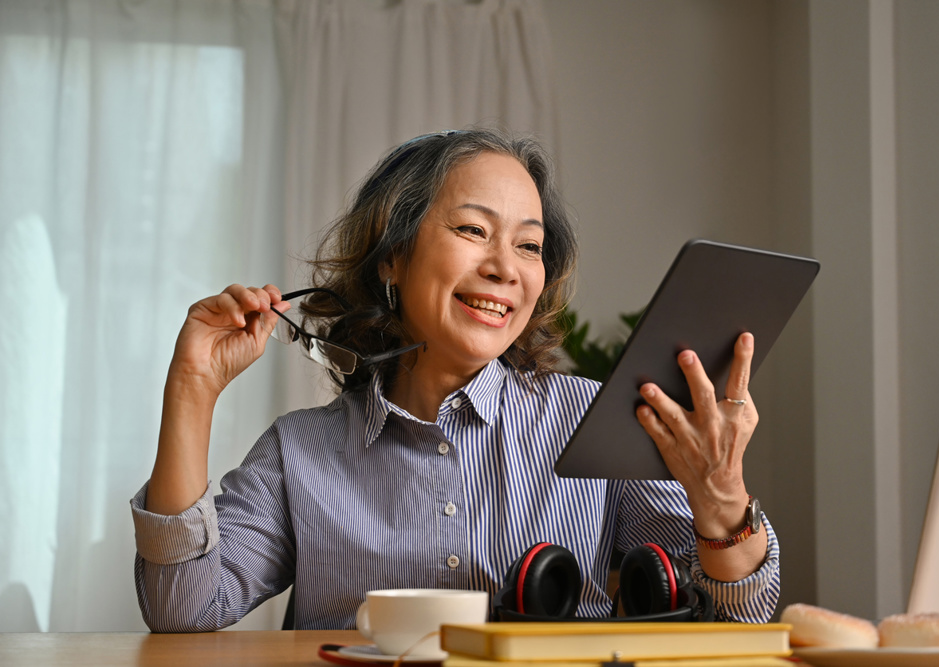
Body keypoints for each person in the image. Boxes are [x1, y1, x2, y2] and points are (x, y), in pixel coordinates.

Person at [131, 128, 779, 632]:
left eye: (529, 245)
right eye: (473, 230)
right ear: (393, 253)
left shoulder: (594, 420)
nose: (505, 267)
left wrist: (722, 500)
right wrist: (191, 387)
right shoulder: (298, 453)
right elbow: (182, 608)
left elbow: (735, 620)